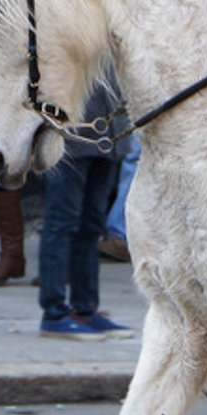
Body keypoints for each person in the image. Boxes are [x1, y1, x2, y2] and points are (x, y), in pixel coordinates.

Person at [37, 81, 131, 340]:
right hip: (71, 136)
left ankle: (85, 307)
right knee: (62, 221)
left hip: (109, 136)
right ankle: (54, 312)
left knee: (92, 224)